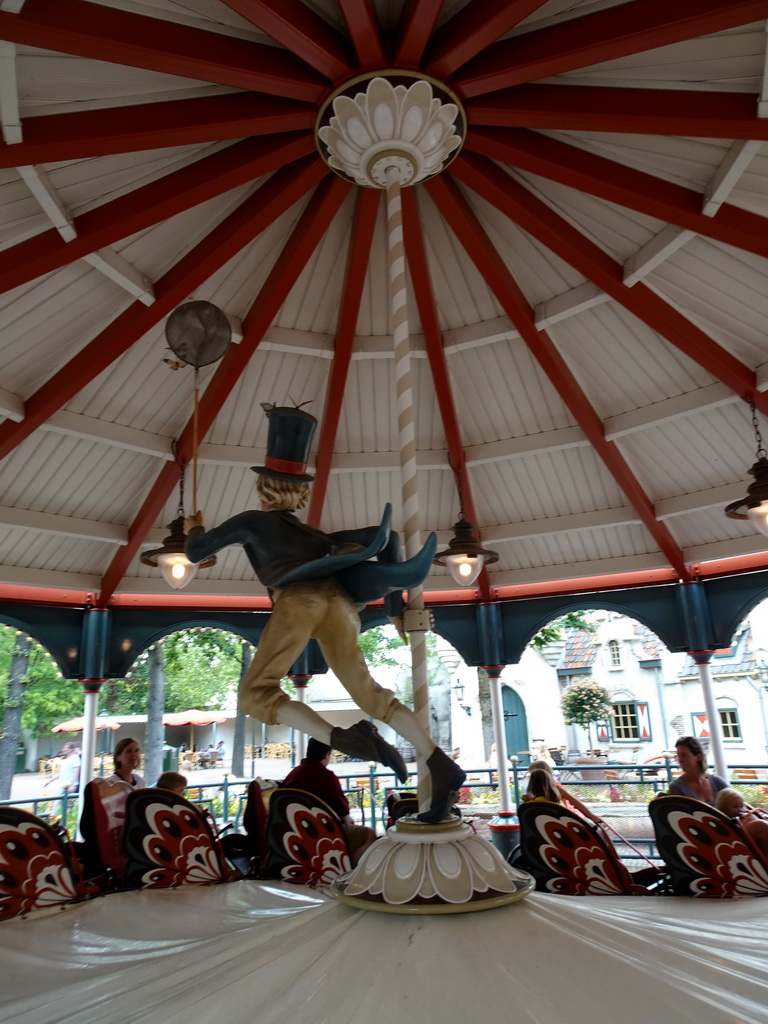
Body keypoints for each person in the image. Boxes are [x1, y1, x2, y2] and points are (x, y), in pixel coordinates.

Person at [185, 403, 465, 823]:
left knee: (255, 694)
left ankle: (343, 738)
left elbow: (195, 552)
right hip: (340, 606)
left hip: (298, 601)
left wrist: (193, 527)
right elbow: (380, 535)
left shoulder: (253, 522)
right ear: (299, 492)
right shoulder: (317, 538)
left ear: (263, 487)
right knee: (374, 697)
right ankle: (438, 760)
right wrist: (393, 606)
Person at [282, 738, 376, 865]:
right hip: (323, 833)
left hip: (293, 830)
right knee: (368, 834)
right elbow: (343, 811)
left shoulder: (294, 774)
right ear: (327, 754)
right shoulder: (326, 777)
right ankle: (349, 871)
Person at [524, 759, 605, 825]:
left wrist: (591, 816)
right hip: (561, 820)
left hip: (562, 819)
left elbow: (575, 802)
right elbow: (575, 803)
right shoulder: (552, 789)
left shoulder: (554, 789)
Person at [668, 735, 728, 805]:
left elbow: (738, 806)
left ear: (699, 757)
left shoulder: (718, 783)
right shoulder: (677, 788)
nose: (680, 760)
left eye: (684, 755)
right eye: (678, 755)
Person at [716, 787, 768, 860]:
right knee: (760, 825)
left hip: (750, 840)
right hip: (736, 841)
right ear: (724, 808)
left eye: (741, 806)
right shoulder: (726, 821)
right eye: (735, 807)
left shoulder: (743, 815)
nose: (740, 809)